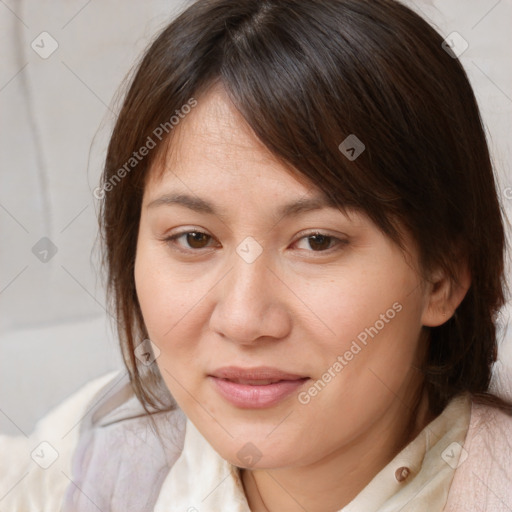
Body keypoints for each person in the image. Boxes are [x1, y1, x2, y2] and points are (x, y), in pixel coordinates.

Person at [1, 0, 511, 510]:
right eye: (194, 238)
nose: (244, 320)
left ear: (442, 278)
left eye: (317, 241)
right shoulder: (97, 460)